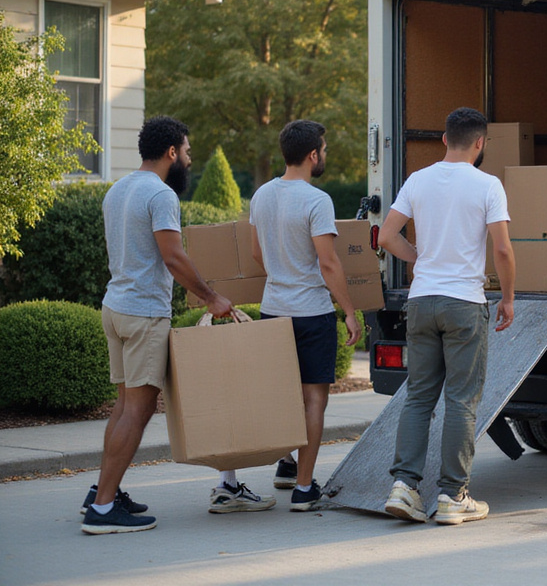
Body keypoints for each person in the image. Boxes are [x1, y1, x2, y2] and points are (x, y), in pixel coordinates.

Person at [83, 116, 246, 534]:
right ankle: (103, 509)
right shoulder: (160, 194)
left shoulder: (117, 189)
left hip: (115, 306)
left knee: (122, 407)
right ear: (172, 152)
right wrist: (212, 298)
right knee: (136, 413)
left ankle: (104, 491)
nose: (189, 161)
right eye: (188, 152)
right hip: (142, 314)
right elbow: (173, 257)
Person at [378, 107, 515, 525]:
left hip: (421, 301)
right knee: (461, 400)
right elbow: (503, 250)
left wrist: (419, 258)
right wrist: (508, 298)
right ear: (480, 144)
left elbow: (385, 236)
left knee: (419, 396)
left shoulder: (418, 180)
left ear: (443, 139)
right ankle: (454, 495)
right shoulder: (488, 185)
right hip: (464, 304)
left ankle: (404, 488)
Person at [248, 120, 362, 511]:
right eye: (324, 150)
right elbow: (328, 264)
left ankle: (286, 464)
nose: (324, 156)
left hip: (272, 309)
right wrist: (349, 312)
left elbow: (256, 254)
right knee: (314, 399)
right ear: (313, 155)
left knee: (285, 396)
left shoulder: (261, 196)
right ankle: (303, 487)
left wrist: (282, 275)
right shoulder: (317, 200)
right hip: (311, 312)